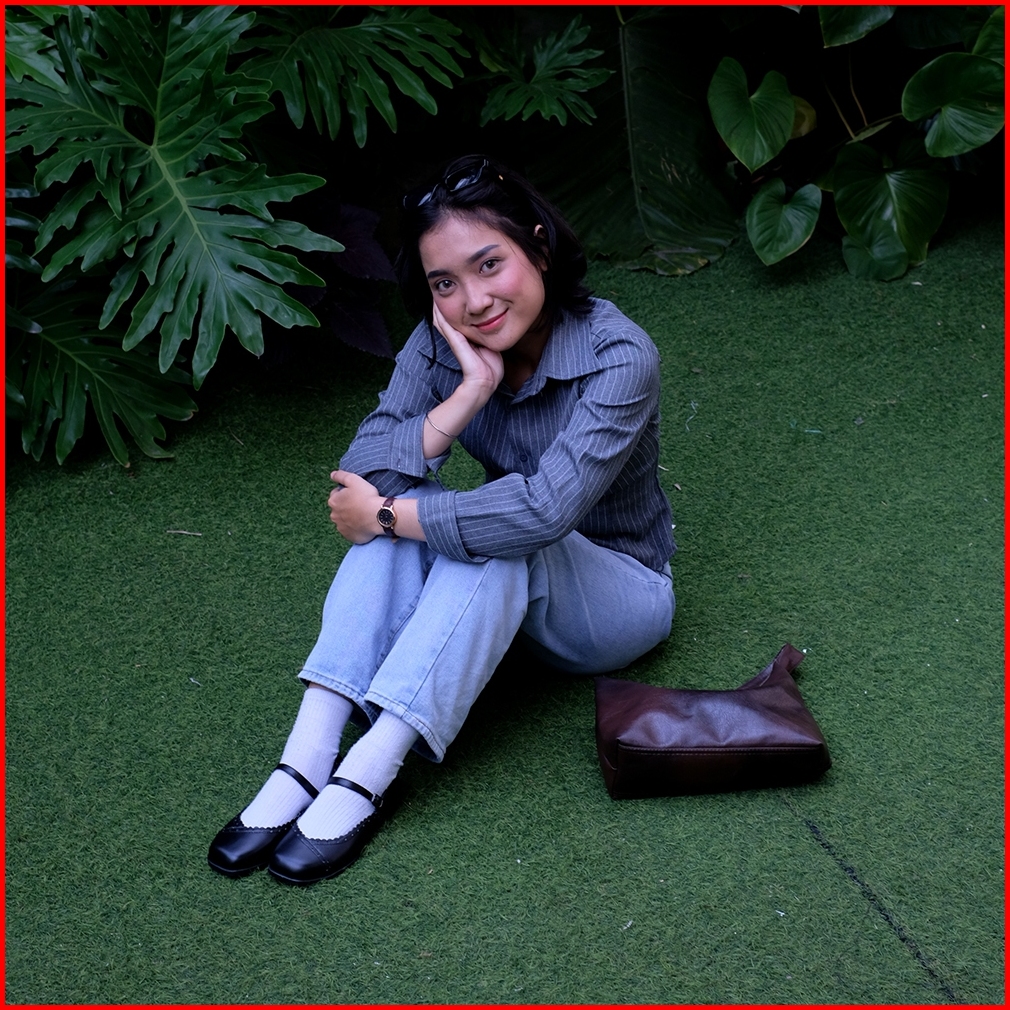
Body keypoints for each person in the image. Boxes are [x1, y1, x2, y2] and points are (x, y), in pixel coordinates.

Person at [208, 154, 676, 885]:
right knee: (425, 522)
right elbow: (363, 472)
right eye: (445, 283)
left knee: (472, 525)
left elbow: (542, 512)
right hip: (505, 588)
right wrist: (466, 395)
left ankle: (369, 772)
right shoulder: (442, 340)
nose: (474, 300)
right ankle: (306, 758)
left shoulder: (619, 355)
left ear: (539, 246)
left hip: (618, 596)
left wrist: (389, 511)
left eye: (489, 264)